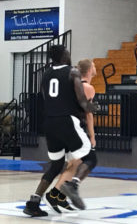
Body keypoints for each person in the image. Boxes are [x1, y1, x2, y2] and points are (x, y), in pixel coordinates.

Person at [23, 45, 96, 217]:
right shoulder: (72, 72)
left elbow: (45, 97)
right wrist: (95, 107)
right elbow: (83, 102)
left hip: (49, 122)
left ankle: (33, 202)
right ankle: (72, 185)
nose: (69, 55)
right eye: (68, 53)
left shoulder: (46, 74)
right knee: (90, 157)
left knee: (56, 165)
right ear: (63, 56)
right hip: (67, 120)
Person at [44, 59, 98, 213]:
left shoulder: (70, 84)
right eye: (93, 65)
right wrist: (92, 136)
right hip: (75, 127)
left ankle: (57, 196)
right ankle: (57, 193)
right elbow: (88, 114)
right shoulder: (87, 87)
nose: (95, 67)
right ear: (88, 70)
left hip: (62, 125)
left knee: (73, 164)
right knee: (88, 159)